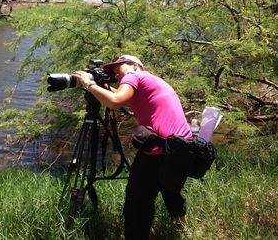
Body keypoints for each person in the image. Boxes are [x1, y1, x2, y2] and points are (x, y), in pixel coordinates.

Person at [73, 55, 192, 240]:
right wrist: (101, 87)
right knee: (170, 188)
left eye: (118, 69)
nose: (116, 74)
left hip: (158, 152)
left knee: (137, 204)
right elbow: (120, 97)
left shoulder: (134, 76)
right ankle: (180, 225)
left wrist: (89, 84)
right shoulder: (153, 82)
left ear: (135, 65)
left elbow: (114, 101)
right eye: (113, 72)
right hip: (181, 150)